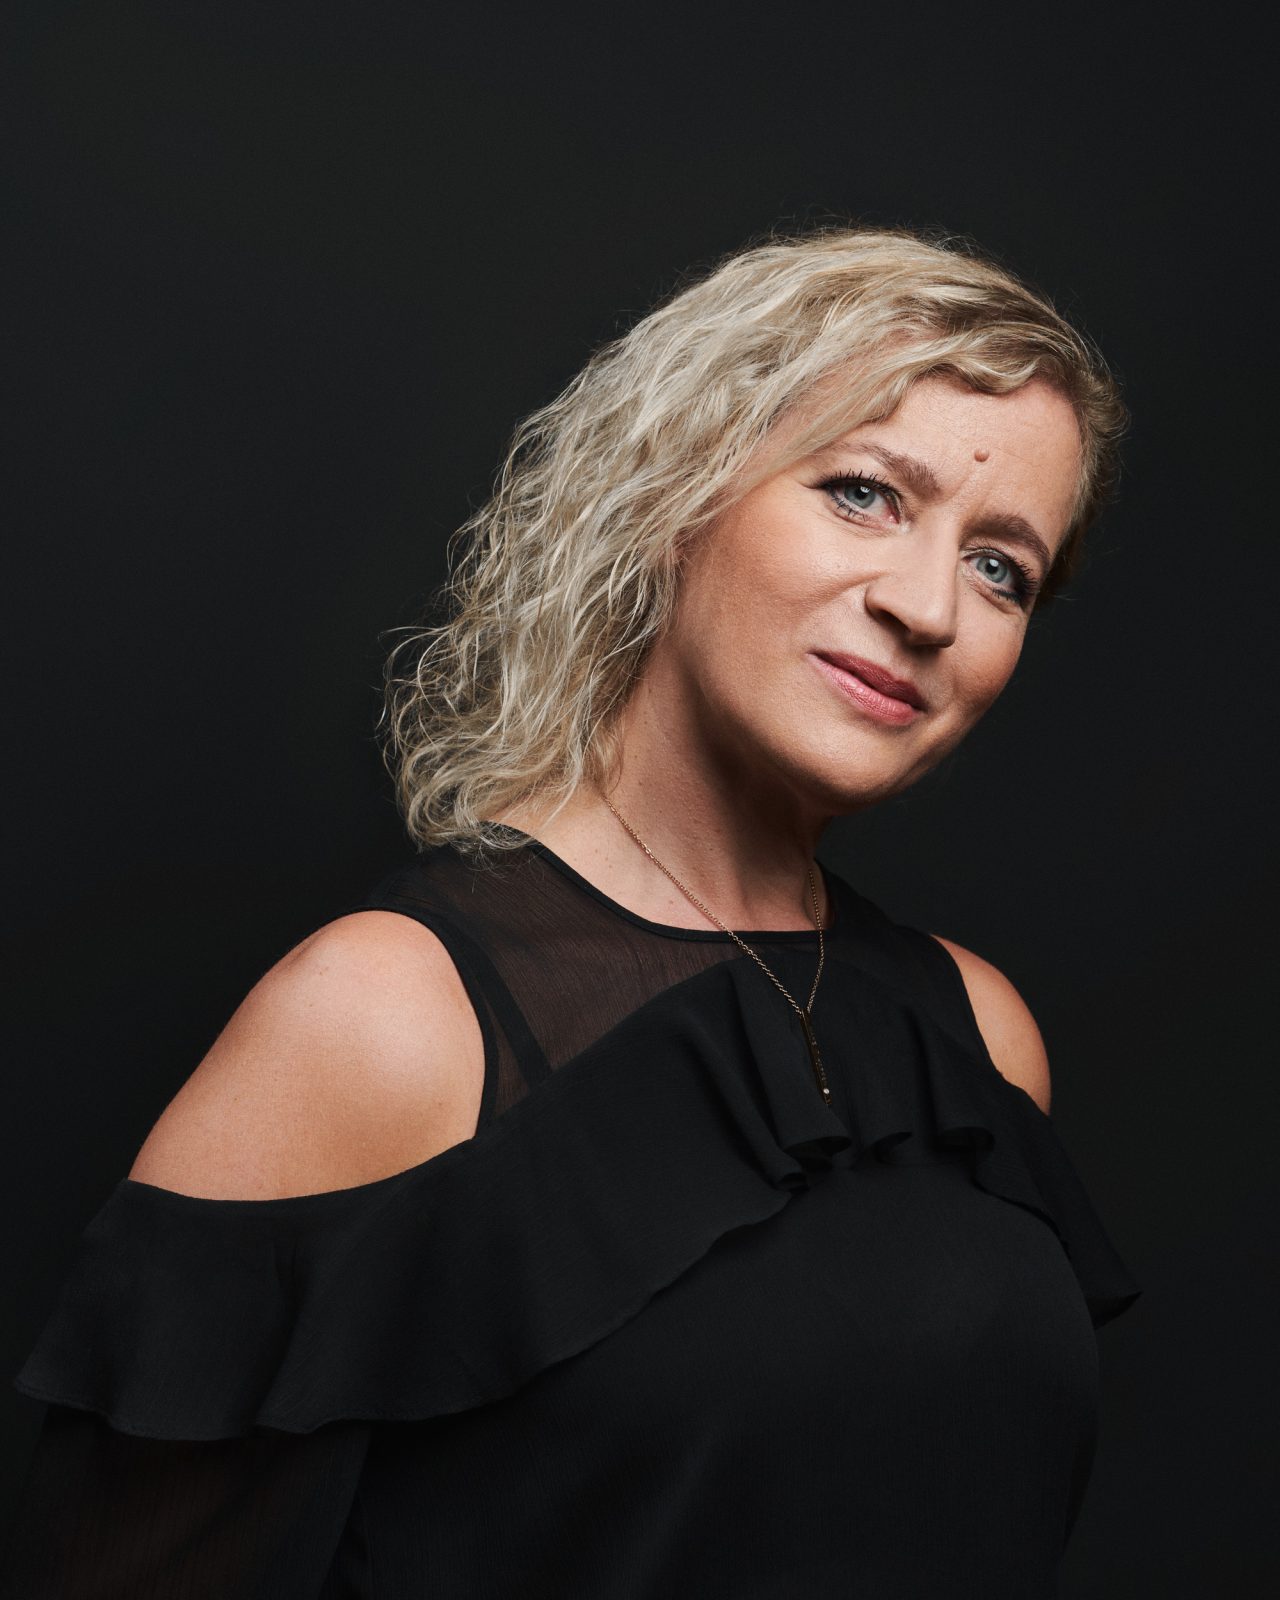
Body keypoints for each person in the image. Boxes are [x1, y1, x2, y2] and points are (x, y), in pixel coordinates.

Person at [1, 224, 1142, 1598]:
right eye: (863, 493)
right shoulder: (390, 1019)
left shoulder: (977, 1038)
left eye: (1002, 567)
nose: (928, 606)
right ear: (679, 489)